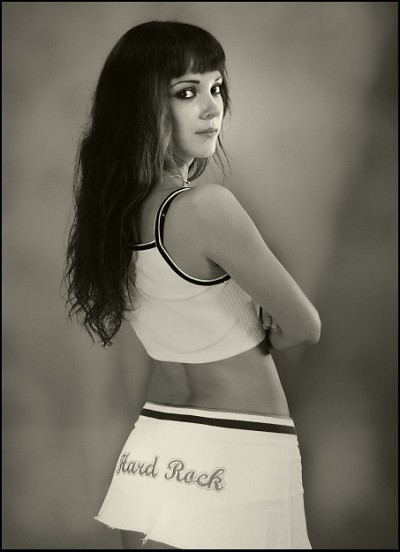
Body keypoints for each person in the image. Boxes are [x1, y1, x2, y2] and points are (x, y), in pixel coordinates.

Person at [64, 20, 321, 550]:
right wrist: (261, 328)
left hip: (154, 445)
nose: (212, 108)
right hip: (238, 445)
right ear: (141, 105)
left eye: (216, 87)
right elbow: (304, 327)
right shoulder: (206, 207)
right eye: (186, 92)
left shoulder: (109, 219)